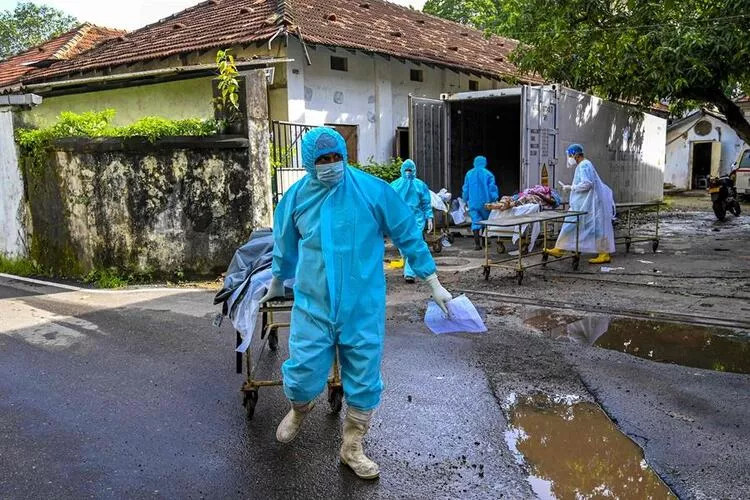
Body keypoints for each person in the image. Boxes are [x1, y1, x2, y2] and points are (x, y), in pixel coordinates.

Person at [260, 127, 452, 480]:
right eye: (322, 160)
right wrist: (276, 281)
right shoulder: (296, 198)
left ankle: (352, 446)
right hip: (313, 305)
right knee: (302, 373)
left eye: (336, 157)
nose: (331, 165)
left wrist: (433, 282)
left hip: (362, 306)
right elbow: (284, 245)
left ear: (344, 156)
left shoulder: (371, 191)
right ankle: (300, 408)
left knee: (363, 379)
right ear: (308, 163)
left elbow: (407, 233)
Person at [546, 144, 615, 264]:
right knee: (575, 224)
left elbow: (587, 184)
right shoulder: (584, 165)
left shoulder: (584, 165)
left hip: (588, 203)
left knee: (592, 227)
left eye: (569, 155)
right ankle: (560, 248)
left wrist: (571, 187)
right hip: (583, 203)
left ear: (575, 155)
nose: (569, 158)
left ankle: (604, 254)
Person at [389, 159, 434, 283]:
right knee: (403, 245)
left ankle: (409, 273)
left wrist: (429, 217)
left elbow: (426, 203)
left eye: (410, 170)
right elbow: (388, 204)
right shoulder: (394, 185)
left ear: (414, 170)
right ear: (402, 170)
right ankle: (409, 265)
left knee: (413, 245)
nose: (408, 172)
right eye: (406, 170)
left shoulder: (420, 185)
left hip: (416, 220)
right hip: (400, 221)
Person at [462, 155, 499, 250]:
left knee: (475, 221)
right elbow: (492, 189)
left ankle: (477, 245)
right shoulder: (488, 174)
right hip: (485, 202)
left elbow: (465, 189)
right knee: (486, 221)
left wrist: (465, 199)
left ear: (474, 163)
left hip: (473, 202)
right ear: (484, 163)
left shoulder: (469, 174)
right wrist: (495, 199)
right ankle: (485, 242)